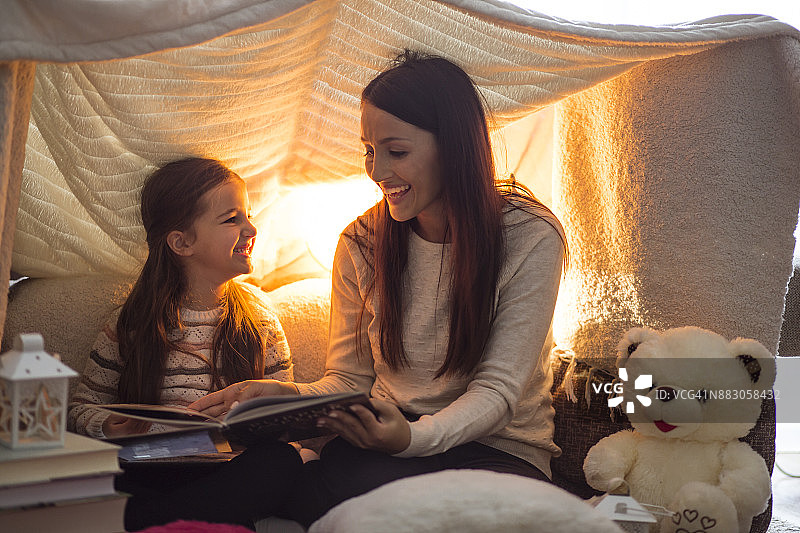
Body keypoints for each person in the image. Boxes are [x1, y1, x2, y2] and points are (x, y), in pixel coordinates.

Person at [191, 50, 567, 527]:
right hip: (385, 447)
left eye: (397, 151)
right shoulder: (360, 243)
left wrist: (413, 440)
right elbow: (348, 381)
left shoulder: (529, 236)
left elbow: (498, 393)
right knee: (319, 484)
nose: (376, 170)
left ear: (454, 146)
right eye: (370, 151)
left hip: (496, 453)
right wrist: (282, 396)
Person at [68, 157, 302, 529]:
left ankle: (144, 523)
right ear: (181, 242)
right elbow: (80, 409)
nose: (250, 227)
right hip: (146, 468)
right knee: (84, 474)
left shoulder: (261, 320)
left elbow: (286, 410)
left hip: (225, 469)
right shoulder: (130, 323)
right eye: (232, 219)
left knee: (281, 462)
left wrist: (264, 415)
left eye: (248, 215)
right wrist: (113, 424)